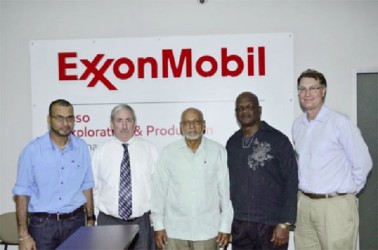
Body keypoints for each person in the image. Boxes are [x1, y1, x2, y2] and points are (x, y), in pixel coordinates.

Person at [292, 69, 373, 250]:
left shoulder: (339, 122)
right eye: (302, 89)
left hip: (335, 206)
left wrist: (346, 193)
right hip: (304, 205)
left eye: (313, 88)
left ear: (323, 91)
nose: (307, 94)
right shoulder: (298, 125)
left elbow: (363, 162)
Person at [12, 99, 95, 250]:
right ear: (49, 119)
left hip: (76, 223)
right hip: (43, 227)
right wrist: (23, 235)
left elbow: (87, 185)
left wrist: (90, 220)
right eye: (59, 118)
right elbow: (22, 193)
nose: (65, 123)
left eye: (69, 118)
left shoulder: (81, 147)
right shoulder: (32, 151)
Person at [151, 107, 233, 250]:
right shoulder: (169, 152)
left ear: (204, 125)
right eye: (187, 123)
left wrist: (225, 226)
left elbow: (225, 194)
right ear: (181, 127)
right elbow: (159, 192)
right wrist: (158, 225)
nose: (192, 126)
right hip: (174, 232)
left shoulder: (217, 151)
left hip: (207, 232)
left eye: (196, 122)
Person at [226, 91, 298, 250]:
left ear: (259, 110)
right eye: (240, 108)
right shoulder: (232, 143)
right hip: (240, 223)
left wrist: (285, 223)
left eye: (249, 107)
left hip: (270, 224)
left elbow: (291, 182)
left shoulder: (278, 140)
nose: (244, 111)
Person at [92, 104, 158, 249]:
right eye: (119, 120)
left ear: (135, 123)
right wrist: (97, 218)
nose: (124, 126)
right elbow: (95, 188)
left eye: (128, 120)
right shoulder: (101, 152)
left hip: (141, 222)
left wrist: (155, 221)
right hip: (108, 223)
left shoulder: (150, 149)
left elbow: (157, 187)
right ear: (111, 124)